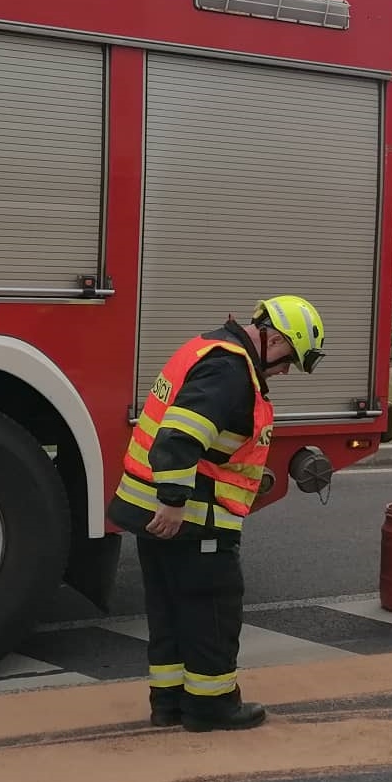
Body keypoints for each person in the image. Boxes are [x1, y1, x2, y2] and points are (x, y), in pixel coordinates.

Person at [108, 295, 326, 733]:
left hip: (154, 508)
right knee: (211, 612)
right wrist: (173, 502)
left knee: (169, 610)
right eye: (288, 360)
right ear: (275, 338)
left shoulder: (208, 350)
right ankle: (211, 707)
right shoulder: (229, 371)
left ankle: (168, 703)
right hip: (189, 515)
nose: (284, 372)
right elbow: (177, 438)